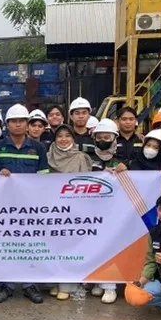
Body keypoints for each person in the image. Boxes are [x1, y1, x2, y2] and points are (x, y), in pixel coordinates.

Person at [0, 104, 49, 304]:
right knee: (6, 246)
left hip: (29, 207)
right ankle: (6, 285)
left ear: (27, 124)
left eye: (22, 121)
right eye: (14, 121)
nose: (18, 124)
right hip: (4, 208)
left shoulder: (38, 148)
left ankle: (30, 284)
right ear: (7, 124)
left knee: (29, 245)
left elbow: (44, 180)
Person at [46, 123, 93, 300]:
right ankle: (53, 283)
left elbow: (88, 181)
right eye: (60, 136)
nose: (63, 139)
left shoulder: (80, 158)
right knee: (53, 246)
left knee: (69, 246)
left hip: (74, 209)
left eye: (68, 136)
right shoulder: (48, 156)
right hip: (52, 208)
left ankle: (67, 285)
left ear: (73, 139)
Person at [88, 118, 128, 304]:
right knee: (95, 246)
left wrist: (124, 170)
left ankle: (110, 286)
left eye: (107, 136)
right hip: (93, 210)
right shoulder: (89, 158)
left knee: (111, 246)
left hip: (115, 211)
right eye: (100, 136)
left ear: (115, 138)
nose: (103, 139)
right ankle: (98, 281)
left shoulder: (123, 159)